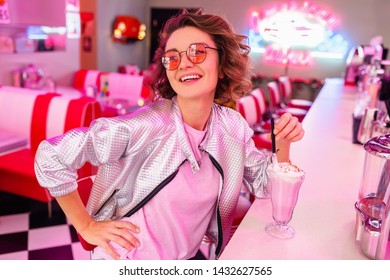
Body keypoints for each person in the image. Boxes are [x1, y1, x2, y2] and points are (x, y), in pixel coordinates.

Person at [34, 9, 304, 260]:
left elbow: (264, 185)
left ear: (222, 64)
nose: (183, 63)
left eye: (197, 52)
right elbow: (51, 155)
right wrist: (86, 225)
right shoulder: (147, 125)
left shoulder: (232, 127)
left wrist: (282, 144)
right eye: (172, 57)